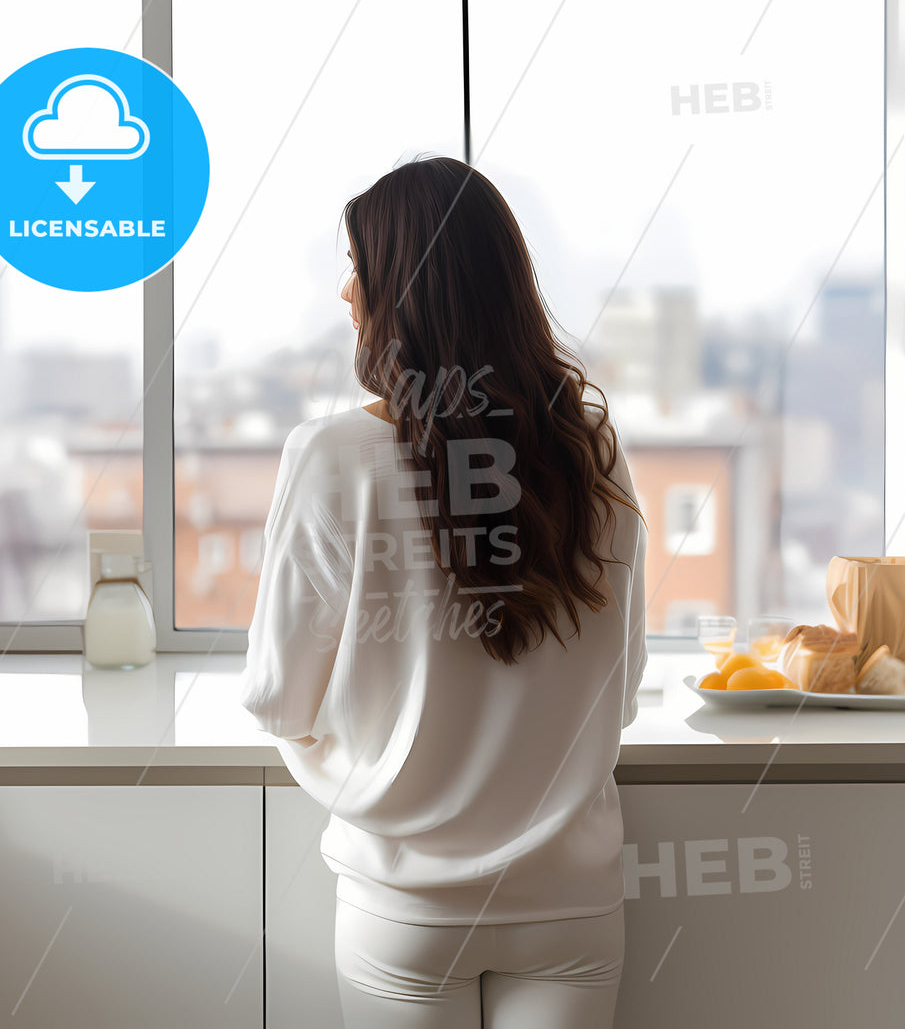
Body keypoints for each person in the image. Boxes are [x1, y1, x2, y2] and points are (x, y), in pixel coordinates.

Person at [237, 155, 649, 1028]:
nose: (347, 294)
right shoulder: (592, 454)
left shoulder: (331, 457)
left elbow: (278, 699)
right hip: (571, 900)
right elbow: (621, 691)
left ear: (403, 293)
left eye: (360, 269)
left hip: (405, 905)